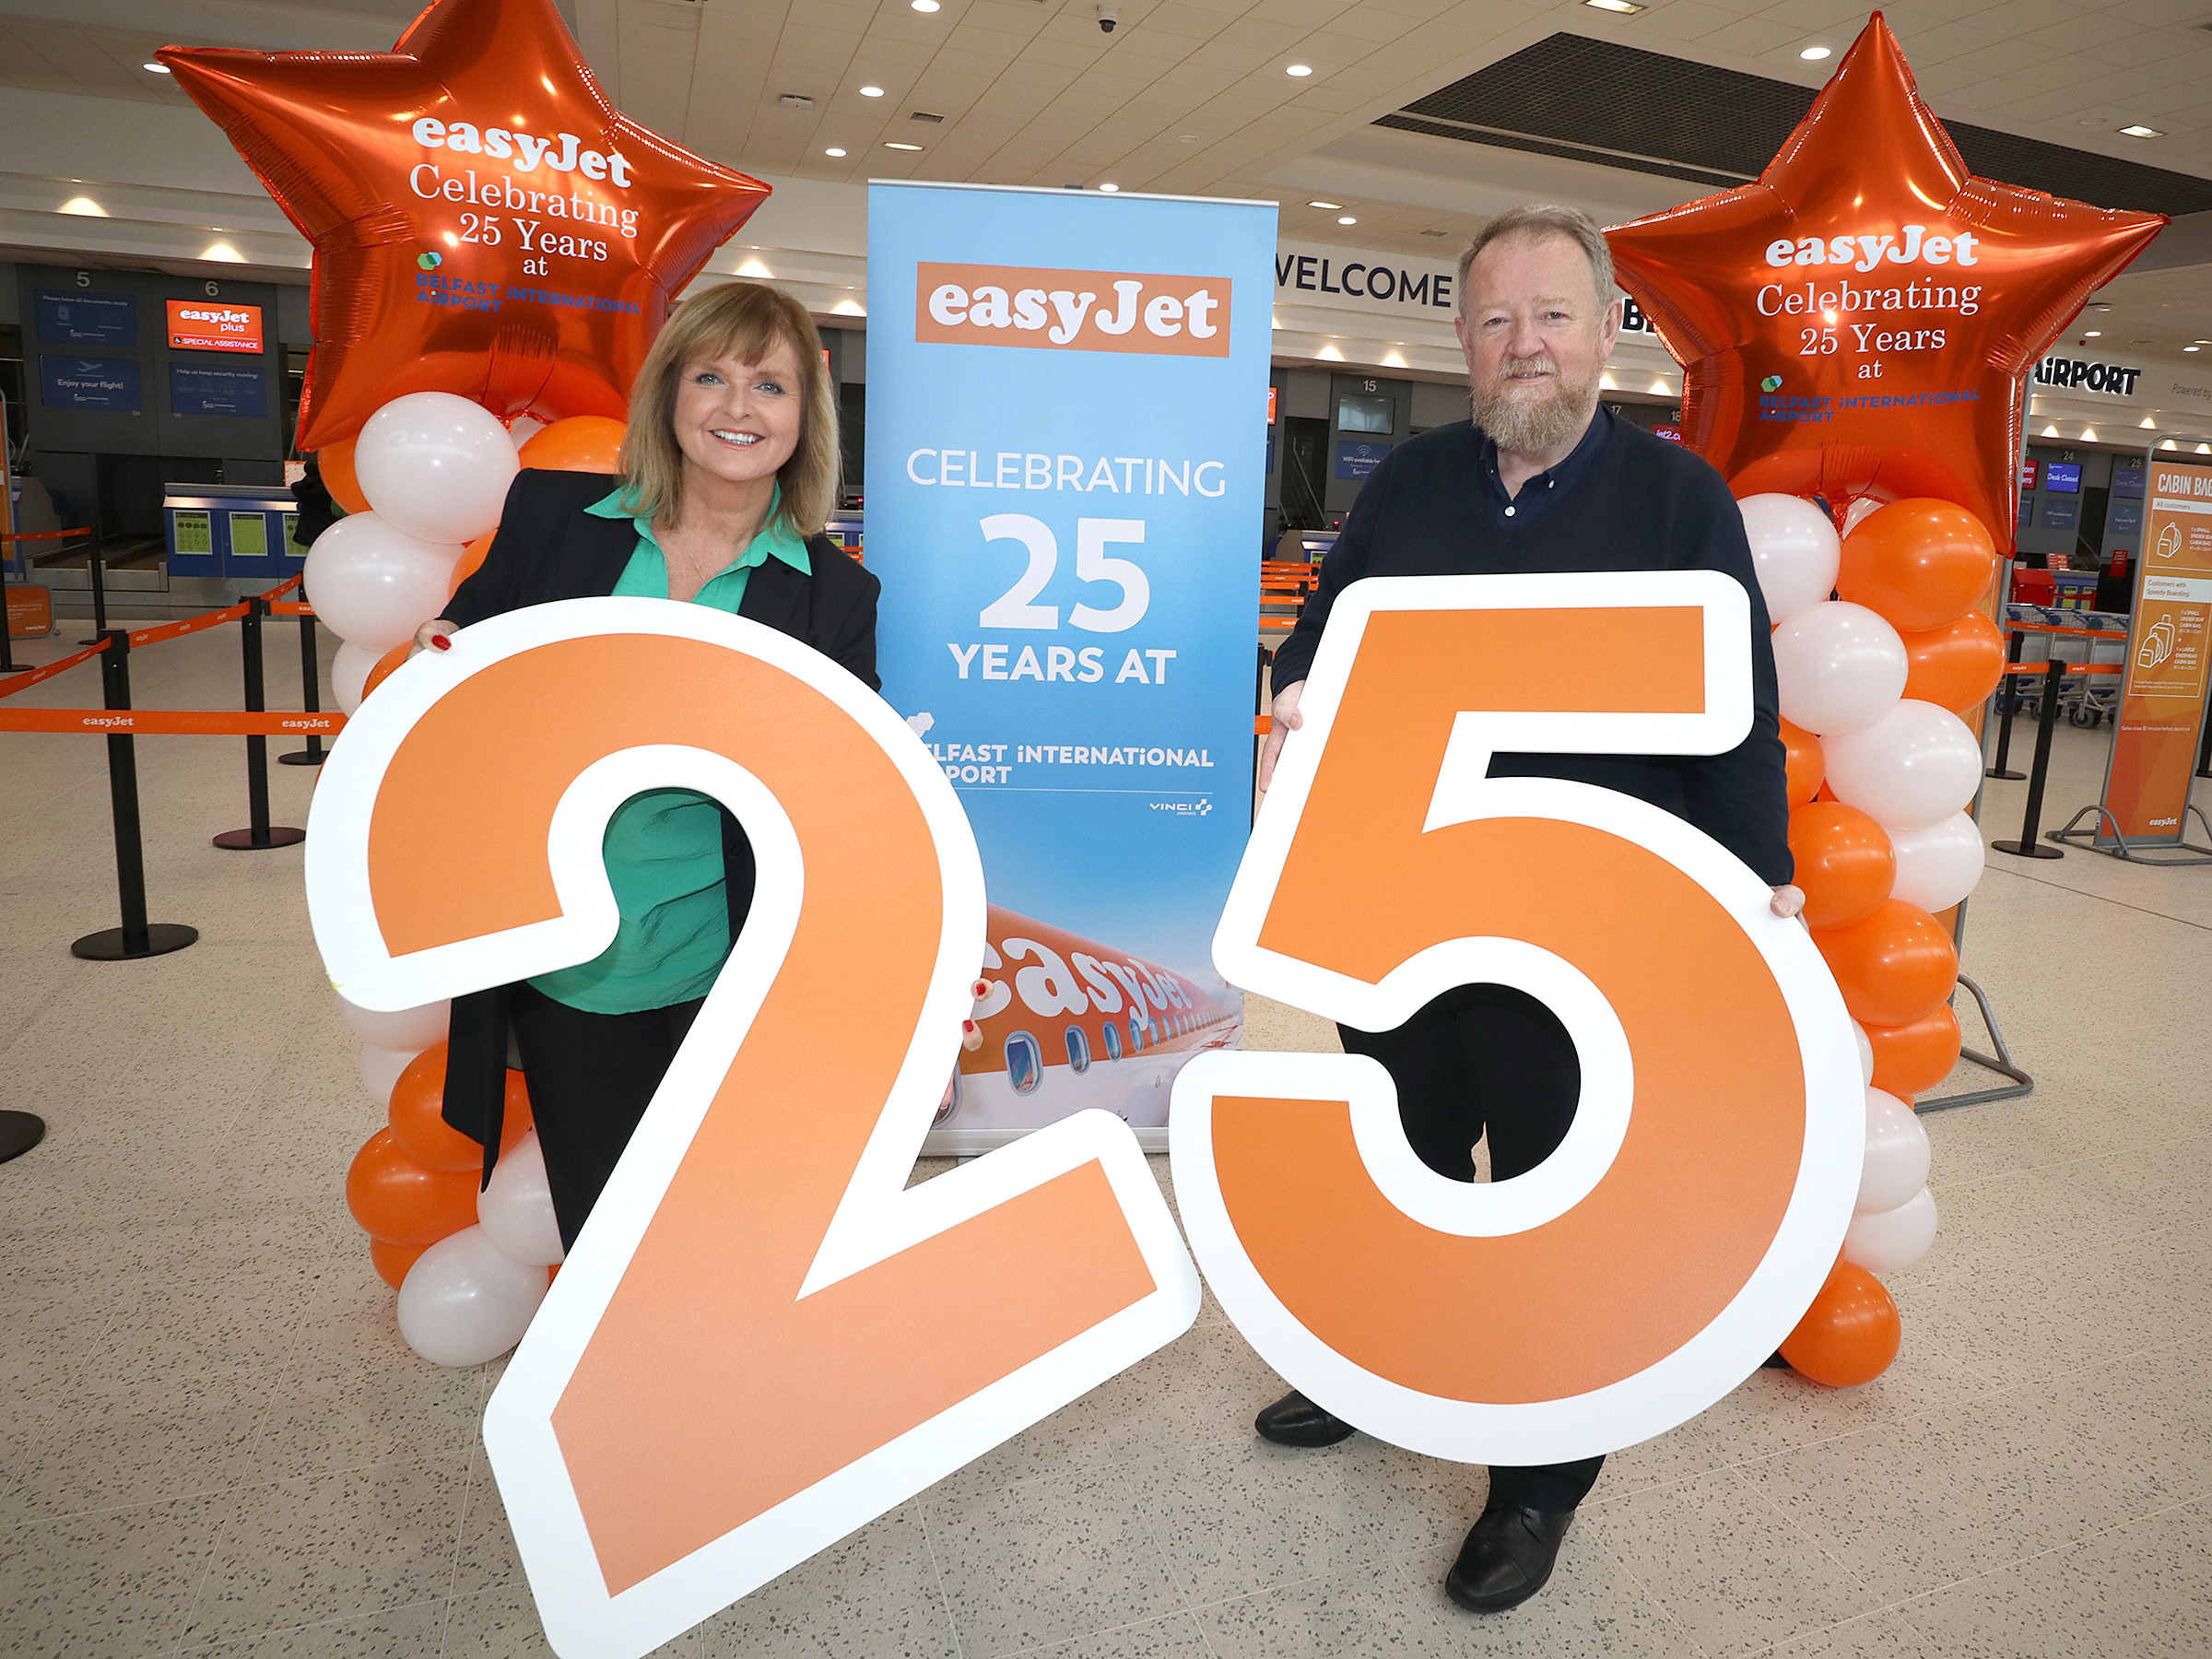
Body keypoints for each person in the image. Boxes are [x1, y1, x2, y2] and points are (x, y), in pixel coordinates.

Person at [1256, 205, 1805, 1615]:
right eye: (1496, 319)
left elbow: (1738, 713)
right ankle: (1380, 1369)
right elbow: (1325, 637)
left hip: (1583, 947)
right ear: (1462, 341)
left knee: (1555, 1201)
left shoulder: (1678, 501)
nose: (1525, 345)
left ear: (1607, 331)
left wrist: (1759, 883)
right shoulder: (1410, 482)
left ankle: (1538, 1484)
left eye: (1553, 315)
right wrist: (1297, 692)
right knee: (1406, 1162)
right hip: (1402, 917)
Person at [422, 281, 879, 1251]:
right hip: (564, 958)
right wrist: (445, 643)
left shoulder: (836, 597)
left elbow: (844, 791)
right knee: (602, 1227)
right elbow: (475, 629)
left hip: (729, 963)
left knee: (724, 1229)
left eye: (770, 385)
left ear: (806, 417)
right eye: (711, 376)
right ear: (669, 392)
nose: (738, 407)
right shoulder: (554, 515)